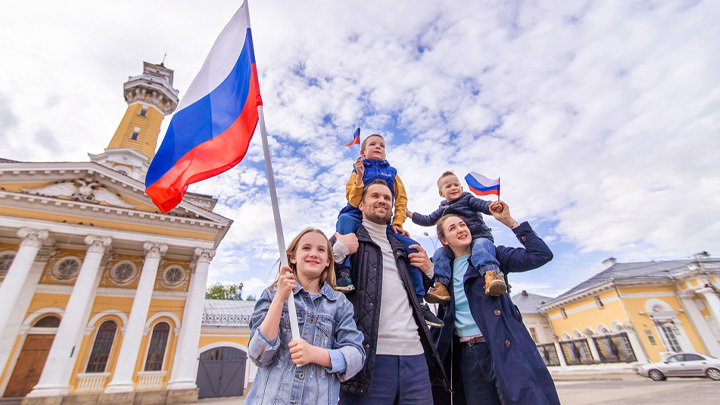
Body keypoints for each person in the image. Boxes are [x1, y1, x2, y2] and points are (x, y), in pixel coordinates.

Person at [333, 179, 448, 404]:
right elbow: (316, 274)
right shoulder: (347, 236)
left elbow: (420, 294)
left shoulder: (402, 244)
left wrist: (429, 269)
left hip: (415, 357)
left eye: (387, 198)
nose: (382, 201)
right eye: (375, 196)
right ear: (361, 205)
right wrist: (338, 250)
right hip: (366, 358)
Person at [431, 205, 560, 405]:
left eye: (463, 225)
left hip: (502, 348)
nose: (461, 229)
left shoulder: (493, 257)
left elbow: (541, 255)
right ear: (444, 240)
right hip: (467, 356)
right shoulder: (441, 270)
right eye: (453, 228)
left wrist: (509, 221)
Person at [245, 228, 366, 404]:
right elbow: (258, 355)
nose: (314, 254)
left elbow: (356, 357)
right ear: (292, 257)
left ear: (327, 261)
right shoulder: (271, 295)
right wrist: (280, 299)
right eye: (306, 248)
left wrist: (315, 354)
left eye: (321, 250)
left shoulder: (340, 304)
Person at [335, 133, 444, 327]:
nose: (378, 147)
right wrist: (359, 178)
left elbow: (401, 200)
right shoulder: (357, 170)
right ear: (362, 151)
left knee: (413, 247)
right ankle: (344, 273)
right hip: (355, 213)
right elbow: (352, 200)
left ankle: (420, 301)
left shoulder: (392, 173)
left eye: (382, 145)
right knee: (344, 222)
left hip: (384, 221)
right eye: (373, 145)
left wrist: (398, 222)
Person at [407, 171, 506, 304]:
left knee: (480, 247)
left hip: (478, 236)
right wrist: (410, 214)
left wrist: (492, 206)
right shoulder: (443, 208)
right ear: (441, 193)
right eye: (448, 186)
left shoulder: (468, 199)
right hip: (456, 245)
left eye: (456, 185)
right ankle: (441, 286)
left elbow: (482, 205)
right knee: (440, 253)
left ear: (461, 188)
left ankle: (491, 276)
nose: (453, 188)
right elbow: (428, 220)